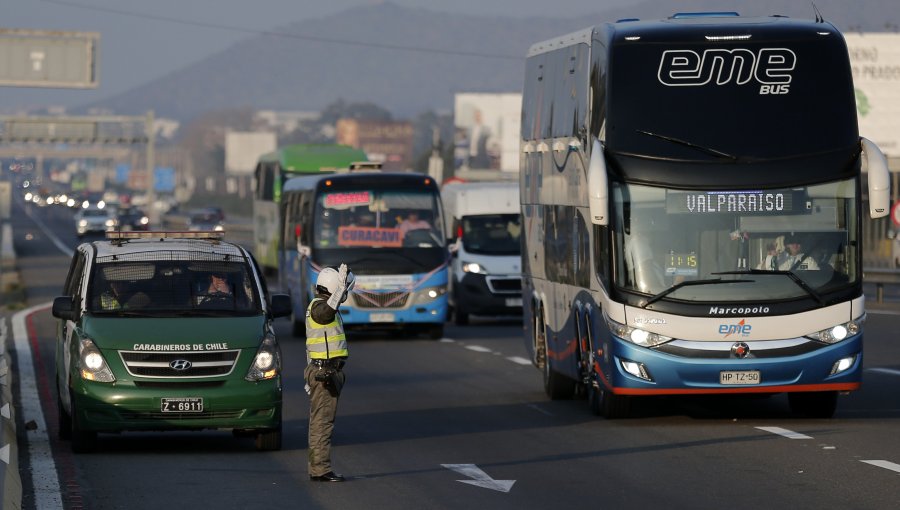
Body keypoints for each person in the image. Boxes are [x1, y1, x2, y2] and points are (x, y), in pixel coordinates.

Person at [305, 263, 355, 483]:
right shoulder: (320, 308)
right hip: (323, 372)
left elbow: (312, 345)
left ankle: (319, 468)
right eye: (345, 290)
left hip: (322, 372)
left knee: (322, 420)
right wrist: (339, 292)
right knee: (322, 423)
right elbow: (326, 313)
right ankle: (320, 470)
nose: (345, 295)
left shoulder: (318, 307)